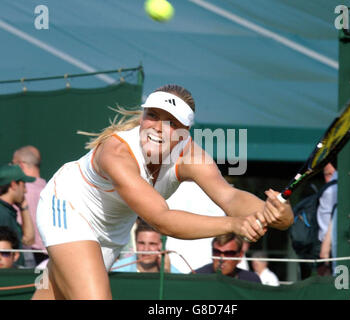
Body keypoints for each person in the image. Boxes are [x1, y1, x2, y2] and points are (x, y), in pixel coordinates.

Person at [32, 84, 293, 300]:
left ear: (183, 133)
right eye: (153, 115)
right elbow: (162, 220)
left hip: (111, 232)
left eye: (170, 122)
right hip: (69, 208)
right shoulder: (117, 153)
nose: (157, 127)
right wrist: (234, 224)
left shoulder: (189, 155)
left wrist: (277, 213)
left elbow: (230, 197)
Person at [12, 146, 48, 266]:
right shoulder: (51, 189)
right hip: (51, 256)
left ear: (20, 165)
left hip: (27, 256)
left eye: (12, 164)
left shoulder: (17, 191)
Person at [111, 219, 181, 273]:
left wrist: (167, 275)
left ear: (162, 245)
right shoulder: (116, 271)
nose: (146, 249)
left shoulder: (174, 274)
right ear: (135, 242)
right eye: (141, 243)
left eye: (152, 244)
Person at [194, 234, 261, 283]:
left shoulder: (252, 281)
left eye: (229, 253)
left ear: (240, 256)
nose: (222, 258)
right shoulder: (196, 278)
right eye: (216, 252)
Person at [317, 162, 338, 276]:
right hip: (326, 255)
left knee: (340, 286)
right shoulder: (330, 189)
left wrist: (325, 247)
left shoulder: (331, 190)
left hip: (329, 254)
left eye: (331, 174)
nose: (329, 178)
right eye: (327, 174)